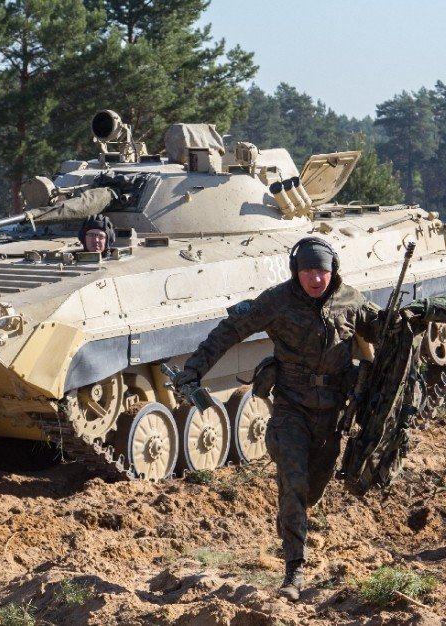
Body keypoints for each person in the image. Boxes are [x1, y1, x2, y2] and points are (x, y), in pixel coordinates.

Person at [174, 237, 385, 602]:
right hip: (291, 408)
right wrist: (192, 372)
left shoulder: (351, 300)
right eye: (307, 271)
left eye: (321, 271)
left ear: (333, 270)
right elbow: (229, 331)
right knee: (294, 482)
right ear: (295, 272)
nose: (315, 279)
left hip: (333, 412)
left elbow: (385, 331)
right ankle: (294, 570)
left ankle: (297, 524)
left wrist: (412, 320)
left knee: (313, 488)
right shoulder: (276, 301)